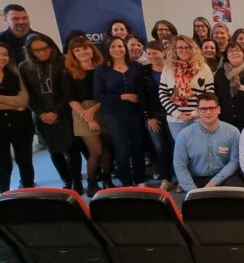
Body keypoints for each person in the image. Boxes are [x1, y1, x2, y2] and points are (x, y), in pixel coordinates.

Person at [94, 36, 147, 187]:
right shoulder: (101, 70)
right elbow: (99, 95)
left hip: (135, 113)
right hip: (113, 115)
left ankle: (140, 179)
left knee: (138, 146)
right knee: (122, 148)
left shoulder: (136, 67)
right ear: (107, 50)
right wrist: (122, 96)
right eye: (113, 47)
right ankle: (126, 182)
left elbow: (142, 91)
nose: (117, 50)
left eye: (120, 46)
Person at [62, 36, 109, 191]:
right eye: (77, 50)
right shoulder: (69, 72)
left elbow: (108, 92)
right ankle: (91, 183)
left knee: (108, 148)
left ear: (91, 49)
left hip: (104, 108)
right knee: (96, 151)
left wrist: (94, 110)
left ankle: (107, 181)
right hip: (81, 112)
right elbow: (71, 99)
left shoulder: (103, 68)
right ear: (72, 53)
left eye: (85, 48)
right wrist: (87, 117)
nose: (82, 52)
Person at [172, 92, 244, 191]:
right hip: (196, 178)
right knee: (198, 203)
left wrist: (214, 182)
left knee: (240, 194)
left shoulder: (233, 132)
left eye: (212, 108)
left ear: (218, 110)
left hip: (224, 176)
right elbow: (179, 165)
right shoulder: (184, 135)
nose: (208, 112)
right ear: (197, 111)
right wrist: (192, 191)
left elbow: (235, 161)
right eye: (203, 109)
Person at [159, 36, 215, 139]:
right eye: (180, 47)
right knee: (182, 151)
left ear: (193, 49)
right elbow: (163, 94)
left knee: (200, 150)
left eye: (187, 47)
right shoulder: (168, 68)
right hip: (176, 120)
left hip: (199, 118)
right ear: (175, 50)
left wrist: (195, 113)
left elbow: (209, 94)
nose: (184, 50)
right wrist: (178, 114)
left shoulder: (203, 68)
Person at [140, 40, 175, 191]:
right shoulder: (144, 71)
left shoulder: (173, 69)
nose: (152, 56)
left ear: (164, 53)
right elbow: (142, 97)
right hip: (155, 116)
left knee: (176, 147)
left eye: (155, 53)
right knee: (160, 148)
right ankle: (165, 178)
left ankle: (179, 178)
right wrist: (149, 117)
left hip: (174, 115)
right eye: (149, 54)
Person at [0, 42, 34, 192]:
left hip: (21, 124)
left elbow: (23, 101)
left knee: (25, 160)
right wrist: (14, 105)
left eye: (5, 54)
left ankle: (29, 192)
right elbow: (18, 104)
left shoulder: (15, 72)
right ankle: (4, 196)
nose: (2, 57)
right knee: (3, 165)